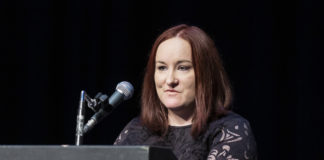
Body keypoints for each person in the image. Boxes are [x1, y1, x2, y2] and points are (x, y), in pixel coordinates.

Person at [114, 24, 257, 160]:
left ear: (206, 75)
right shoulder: (136, 129)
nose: (170, 80)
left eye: (183, 67)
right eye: (162, 68)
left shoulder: (230, 130)